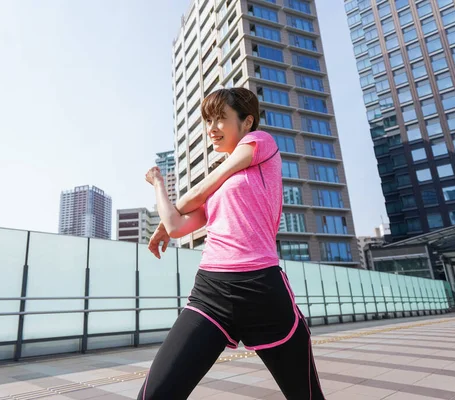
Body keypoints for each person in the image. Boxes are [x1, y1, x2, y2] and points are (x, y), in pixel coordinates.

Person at [139, 87, 325, 400]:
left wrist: (172, 216)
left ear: (247, 121)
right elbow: (176, 225)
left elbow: (199, 192)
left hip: (261, 289)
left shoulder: (260, 143)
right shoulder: (216, 189)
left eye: (220, 119)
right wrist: (158, 183)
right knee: (156, 394)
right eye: (208, 121)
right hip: (210, 292)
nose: (211, 128)